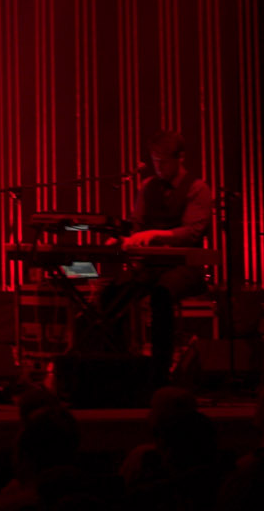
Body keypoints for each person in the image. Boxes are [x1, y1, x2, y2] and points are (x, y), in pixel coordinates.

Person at [101, 130, 214, 376]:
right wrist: (124, 239)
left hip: (186, 267)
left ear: (180, 157)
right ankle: (118, 364)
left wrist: (155, 235)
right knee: (111, 294)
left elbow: (192, 233)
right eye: (155, 161)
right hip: (150, 267)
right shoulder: (147, 187)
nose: (159, 167)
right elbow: (137, 225)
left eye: (164, 161)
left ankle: (159, 369)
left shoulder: (198, 189)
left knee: (161, 295)